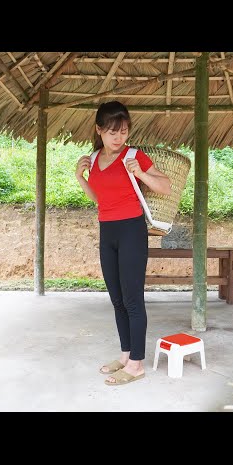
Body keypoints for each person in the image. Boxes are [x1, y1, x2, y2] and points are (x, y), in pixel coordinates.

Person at [75, 101, 171, 386]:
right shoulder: (93, 159)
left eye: (124, 131)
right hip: (107, 230)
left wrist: (140, 173)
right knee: (117, 299)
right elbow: (99, 198)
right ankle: (126, 355)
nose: (119, 137)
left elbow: (165, 187)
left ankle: (137, 365)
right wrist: (80, 177)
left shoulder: (134, 155)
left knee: (132, 299)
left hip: (131, 229)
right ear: (99, 130)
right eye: (113, 132)